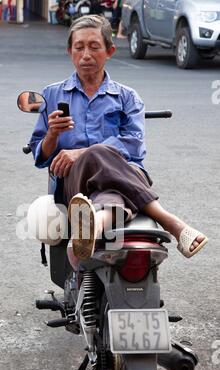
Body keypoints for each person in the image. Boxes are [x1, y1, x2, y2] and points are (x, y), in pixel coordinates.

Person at [29, 15, 208, 265]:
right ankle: (173, 224)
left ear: (110, 51)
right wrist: (52, 135)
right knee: (96, 154)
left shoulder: (127, 97)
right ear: (70, 51)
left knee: (105, 178)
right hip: (76, 181)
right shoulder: (52, 94)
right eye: (79, 47)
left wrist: (81, 152)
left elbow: (134, 145)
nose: (86, 54)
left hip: (126, 174)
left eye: (94, 47)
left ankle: (95, 223)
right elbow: (40, 156)